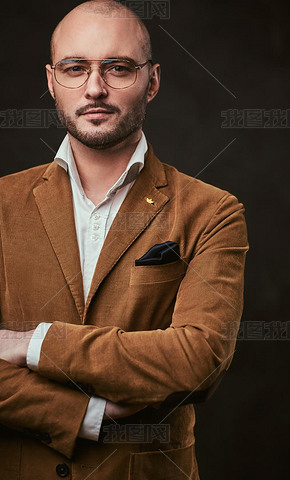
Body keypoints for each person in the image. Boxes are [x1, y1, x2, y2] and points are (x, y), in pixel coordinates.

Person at [0, 1, 249, 478]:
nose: (95, 88)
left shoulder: (213, 211)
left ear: (152, 81)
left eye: (118, 68)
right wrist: (87, 417)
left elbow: (199, 358)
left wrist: (34, 344)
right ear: (52, 81)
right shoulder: (3, 202)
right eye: (76, 68)